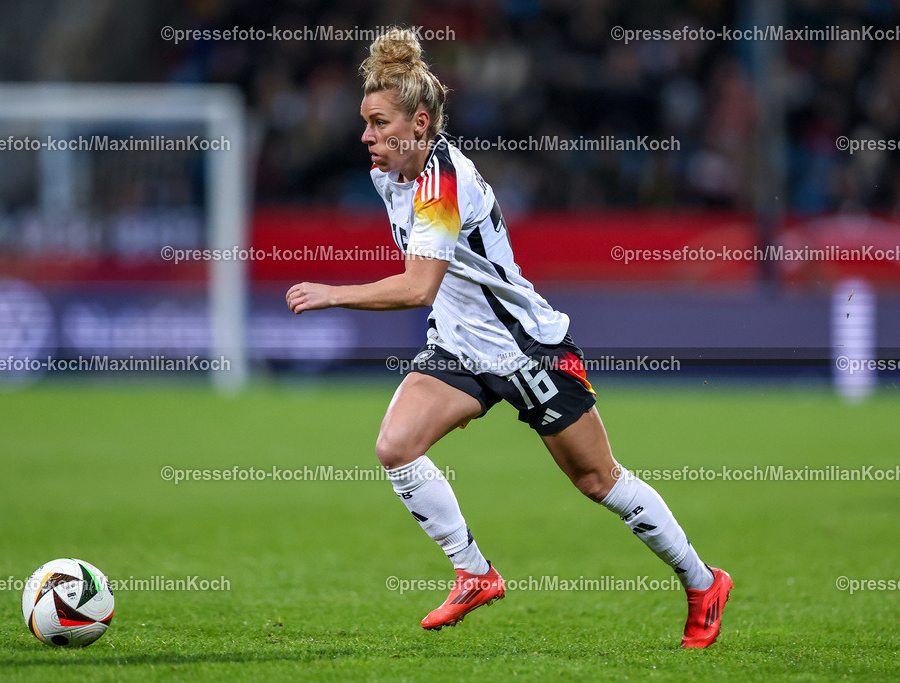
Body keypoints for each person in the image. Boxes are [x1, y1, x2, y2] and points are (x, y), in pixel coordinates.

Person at [286, 28, 732, 648]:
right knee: (396, 446)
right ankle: (474, 573)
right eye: (365, 122)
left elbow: (418, 285)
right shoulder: (390, 173)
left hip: (526, 349)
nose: (366, 136)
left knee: (598, 481)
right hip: (459, 348)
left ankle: (703, 581)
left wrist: (333, 293)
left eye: (378, 123)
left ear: (419, 124)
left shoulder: (443, 183)